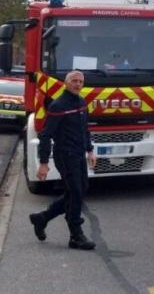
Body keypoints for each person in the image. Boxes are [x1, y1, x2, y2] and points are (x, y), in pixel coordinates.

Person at [29, 70, 97, 250]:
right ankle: (76, 235)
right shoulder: (59, 106)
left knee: (79, 190)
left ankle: (42, 218)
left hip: (79, 154)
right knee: (75, 192)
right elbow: (45, 135)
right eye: (74, 81)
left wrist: (90, 151)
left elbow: (85, 130)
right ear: (66, 83)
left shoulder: (82, 103)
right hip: (65, 156)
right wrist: (44, 164)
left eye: (80, 81)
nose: (78, 84)